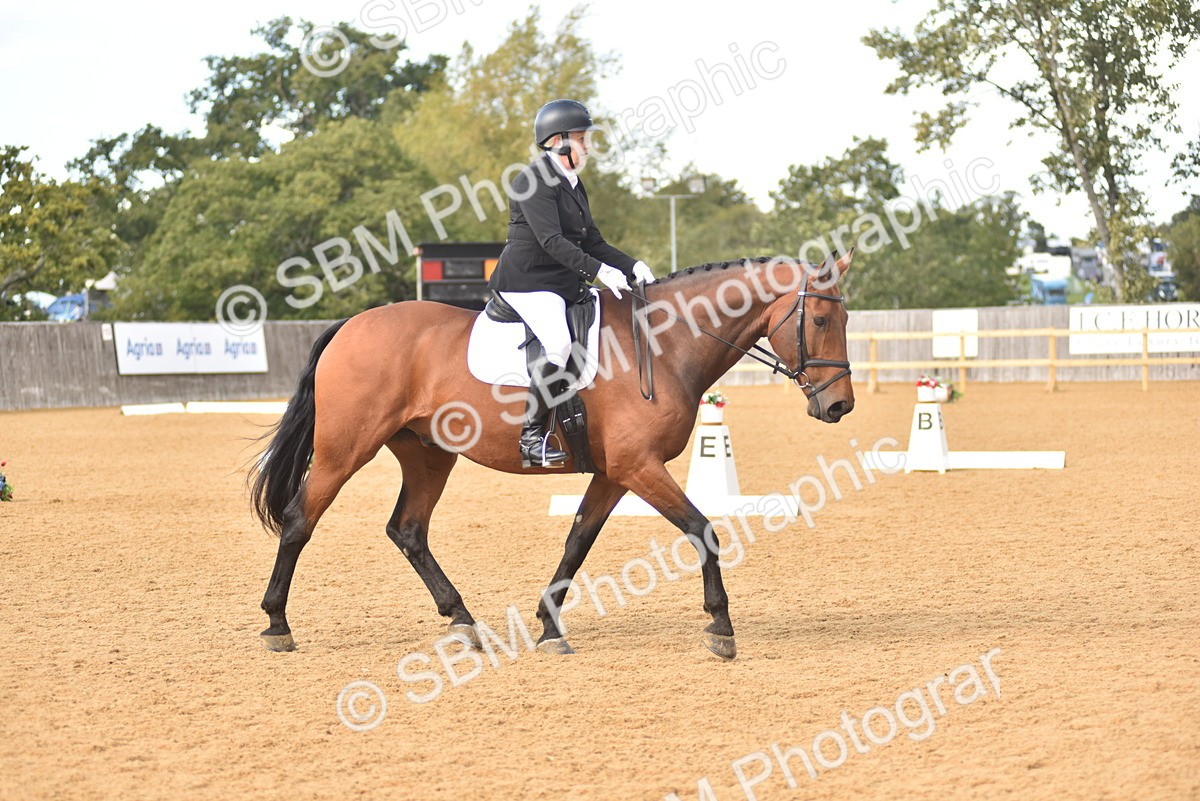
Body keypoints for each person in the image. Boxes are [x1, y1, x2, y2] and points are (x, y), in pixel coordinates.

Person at [488, 98, 656, 468]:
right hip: (528, 281)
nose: (588, 146)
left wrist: (632, 266)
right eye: (582, 139)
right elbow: (552, 241)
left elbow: (592, 241)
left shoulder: (573, 183)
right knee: (559, 343)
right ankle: (532, 438)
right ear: (558, 141)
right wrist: (600, 272)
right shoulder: (532, 180)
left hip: (560, 280)